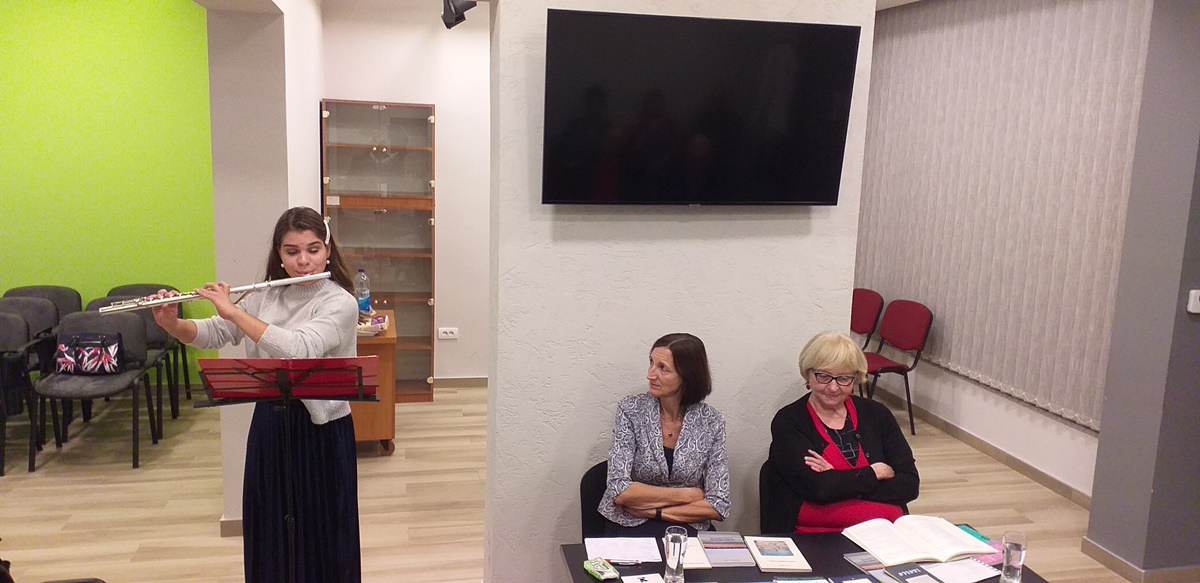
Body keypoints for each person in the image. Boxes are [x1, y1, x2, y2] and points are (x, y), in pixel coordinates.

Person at [151, 207, 361, 583]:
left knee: (321, 530)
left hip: (321, 430)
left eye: (313, 250)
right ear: (279, 254)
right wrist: (173, 323)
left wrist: (233, 312)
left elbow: (300, 348)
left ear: (328, 251)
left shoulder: (339, 302)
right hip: (271, 422)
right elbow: (214, 332)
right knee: (270, 524)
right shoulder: (265, 296)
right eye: (292, 251)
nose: (303, 261)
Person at [766, 331, 919, 534]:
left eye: (844, 378)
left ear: (855, 379)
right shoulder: (789, 421)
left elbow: (909, 485)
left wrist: (838, 480)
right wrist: (875, 473)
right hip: (815, 535)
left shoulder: (877, 414)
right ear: (808, 375)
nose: (833, 387)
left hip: (882, 534)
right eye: (824, 376)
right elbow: (818, 489)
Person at [599, 333, 730, 537]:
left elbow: (718, 504)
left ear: (687, 376)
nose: (650, 375)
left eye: (663, 368)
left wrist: (655, 512)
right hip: (630, 524)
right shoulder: (631, 410)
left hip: (686, 527)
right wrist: (688, 494)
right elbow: (619, 489)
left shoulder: (711, 421)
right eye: (651, 363)